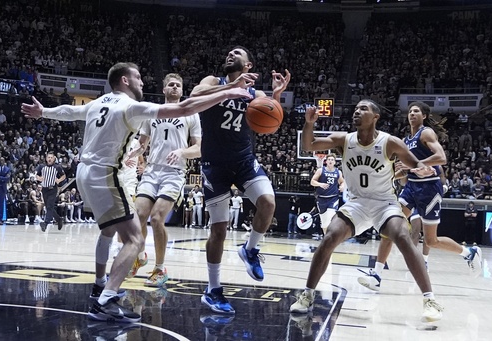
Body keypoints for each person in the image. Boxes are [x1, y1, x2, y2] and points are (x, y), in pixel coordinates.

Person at [21, 62, 252, 323]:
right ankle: (106, 300)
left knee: (110, 231)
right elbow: (185, 107)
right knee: (135, 239)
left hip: (84, 174)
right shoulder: (130, 106)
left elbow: (69, 111)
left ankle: (99, 285)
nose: (143, 82)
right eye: (138, 77)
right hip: (104, 174)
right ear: (125, 81)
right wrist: (227, 92)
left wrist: (43, 112)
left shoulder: (99, 102)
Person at [290, 100, 444, 322]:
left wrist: (421, 169)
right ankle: (307, 294)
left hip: (385, 203)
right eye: (355, 108)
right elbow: (309, 145)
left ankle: (430, 300)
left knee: (402, 236)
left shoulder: (390, 142)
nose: (357, 111)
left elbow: (415, 164)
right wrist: (308, 123)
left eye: (363, 109)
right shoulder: (344, 140)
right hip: (356, 203)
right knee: (330, 236)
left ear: (375, 117)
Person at [190, 46, 290, 314]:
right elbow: (195, 95)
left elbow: (270, 118)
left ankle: (250, 249)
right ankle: (213, 290)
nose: (230, 55)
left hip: (244, 161)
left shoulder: (254, 94)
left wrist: (277, 95)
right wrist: (230, 87)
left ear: (249, 65)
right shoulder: (213, 81)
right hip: (215, 164)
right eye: (229, 53)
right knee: (219, 230)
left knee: (268, 203)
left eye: (237, 53)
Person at [358, 102, 483, 292]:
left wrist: (414, 165)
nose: (412, 114)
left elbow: (442, 157)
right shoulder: (406, 140)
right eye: (409, 111)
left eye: (416, 111)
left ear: (424, 116)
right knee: (389, 227)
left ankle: (469, 253)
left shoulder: (426, 133)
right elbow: (402, 172)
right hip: (411, 188)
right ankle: (376, 275)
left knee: (431, 241)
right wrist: (385, 175)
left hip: (430, 189)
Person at [127, 73, 202, 287]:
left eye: (178, 85)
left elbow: (198, 149)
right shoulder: (153, 112)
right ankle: (140, 256)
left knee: (157, 218)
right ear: (164, 90)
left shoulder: (190, 114)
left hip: (174, 172)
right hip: (152, 171)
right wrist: (133, 153)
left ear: (181, 90)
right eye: (171, 85)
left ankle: (160, 269)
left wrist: (181, 151)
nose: (175, 87)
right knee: (138, 216)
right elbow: (142, 143)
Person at [310, 153, 344, 236]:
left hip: (333, 198)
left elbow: (342, 182)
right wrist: (320, 184)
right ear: (326, 161)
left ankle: (330, 238)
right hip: (321, 198)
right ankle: (326, 238)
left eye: (332, 160)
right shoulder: (321, 170)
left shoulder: (338, 172)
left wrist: (342, 186)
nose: (330, 161)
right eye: (329, 159)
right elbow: (312, 182)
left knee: (330, 217)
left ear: (335, 162)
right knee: (324, 223)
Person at [36, 151, 66, 232]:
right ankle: (59, 219)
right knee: (49, 207)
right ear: (46, 158)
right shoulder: (41, 166)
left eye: (51, 157)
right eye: (48, 157)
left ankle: (45, 223)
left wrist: (59, 180)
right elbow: (36, 175)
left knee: (49, 206)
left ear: (54, 159)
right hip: (44, 189)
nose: (49, 159)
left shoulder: (57, 167)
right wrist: (39, 178)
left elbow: (64, 175)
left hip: (53, 189)